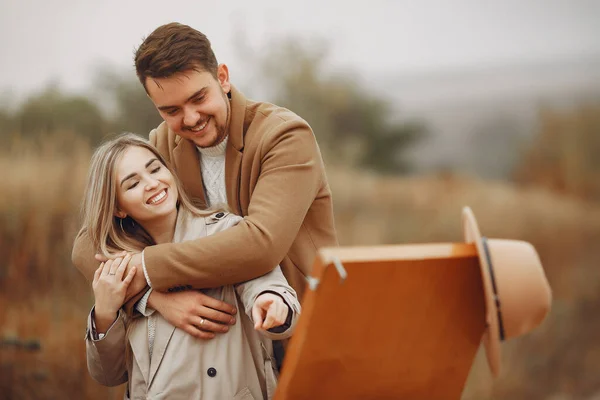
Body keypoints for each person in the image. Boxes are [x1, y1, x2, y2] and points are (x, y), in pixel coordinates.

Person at [71, 22, 338, 344]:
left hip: (301, 328)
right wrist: (152, 299)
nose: (191, 118)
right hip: (222, 347)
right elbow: (87, 247)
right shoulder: (163, 144)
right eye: (171, 110)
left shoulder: (284, 136)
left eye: (199, 98)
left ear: (222, 78)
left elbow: (260, 245)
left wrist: (143, 268)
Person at [84, 133, 300, 399]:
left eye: (155, 169)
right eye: (133, 184)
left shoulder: (226, 230)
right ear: (118, 208)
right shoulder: (120, 270)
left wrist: (271, 300)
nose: (152, 183)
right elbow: (108, 375)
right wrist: (105, 314)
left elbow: (265, 285)